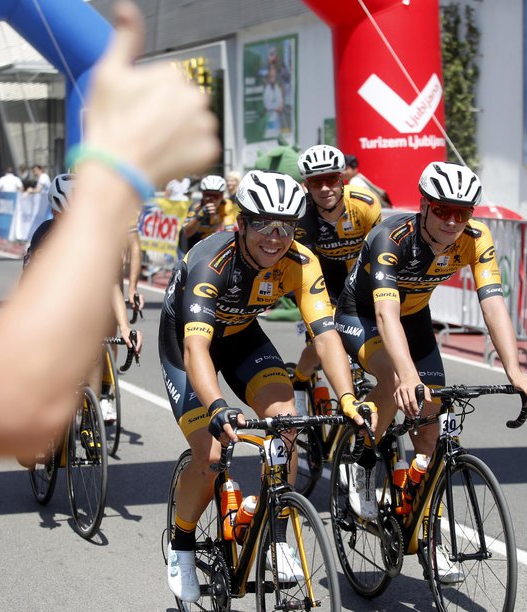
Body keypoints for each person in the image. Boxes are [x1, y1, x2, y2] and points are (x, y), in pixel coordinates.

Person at [0, 0, 219, 457]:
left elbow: (107, 275)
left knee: (86, 352)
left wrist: (125, 321)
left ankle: (88, 406)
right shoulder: (43, 238)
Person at [160, 169, 375, 602]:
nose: (275, 237)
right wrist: (218, 406)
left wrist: (347, 396)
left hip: (240, 337)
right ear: (240, 224)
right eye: (262, 224)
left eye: (287, 226)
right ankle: (181, 544)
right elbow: (196, 350)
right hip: (189, 344)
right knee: (213, 452)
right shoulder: (211, 262)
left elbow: (326, 334)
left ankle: (275, 533)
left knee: (286, 425)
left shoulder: (300, 261)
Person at [336, 161, 527, 524]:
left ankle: (429, 530)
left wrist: (515, 371)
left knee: (430, 433)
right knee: (392, 378)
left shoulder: (476, 238)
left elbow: (493, 304)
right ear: (424, 206)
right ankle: (364, 460)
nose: (452, 220)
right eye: (442, 209)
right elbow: (386, 314)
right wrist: (406, 374)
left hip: (414, 316)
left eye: (462, 212)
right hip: (364, 314)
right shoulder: (391, 237)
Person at [22, 174, 143, 427]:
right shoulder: (44, 237)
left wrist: (124, 327)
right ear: (55, 213)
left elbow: (111, 285)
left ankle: (91, 416)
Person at [289, 144, 382, 378]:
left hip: (359, 279)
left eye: (330, 180)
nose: (324, 188)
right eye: (315, 182)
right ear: (306, 185)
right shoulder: (300, 215)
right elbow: (303, 266)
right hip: (320, 281)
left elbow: (381, 255)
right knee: (324, 342)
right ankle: (300, 380)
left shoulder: (365, 204)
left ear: (342, 180)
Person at [176, 174, 236, 258]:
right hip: (190, 243)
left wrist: (214, 216)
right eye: (207, 195)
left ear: (222, 196)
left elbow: (229, 231)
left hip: (209, 243)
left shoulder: (227, 205)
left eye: (216, 196)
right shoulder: (195, 208)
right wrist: (198, 218)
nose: (211, 199)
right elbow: (186, 233)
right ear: (203, 195)